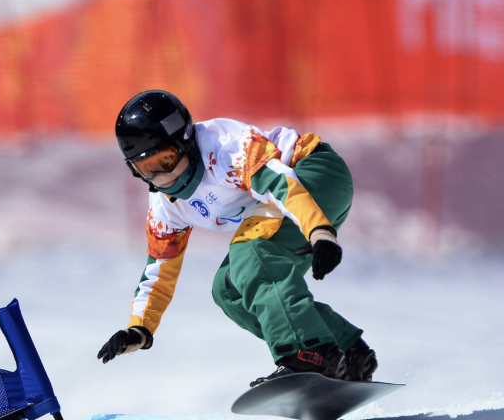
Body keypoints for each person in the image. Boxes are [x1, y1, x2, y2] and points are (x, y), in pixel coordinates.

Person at [96, 90, 378, 386]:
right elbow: (159, 269)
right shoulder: (165, 206)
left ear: (185, 142)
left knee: (252, 252)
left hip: (313, 174)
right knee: (228, 289)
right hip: (287, 206)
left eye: (165, 160)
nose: (162, 178)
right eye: (145, 169)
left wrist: (319, 231)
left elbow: (280, 184)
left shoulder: (225, 149)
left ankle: (308, 352)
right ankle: (347, 350)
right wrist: (140, 329)